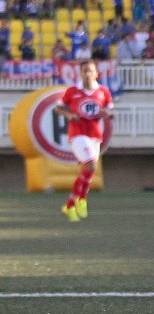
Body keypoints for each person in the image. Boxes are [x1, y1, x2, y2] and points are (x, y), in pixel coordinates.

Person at [53, 60, 114, 222]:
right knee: (92, 165)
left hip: (95, 134)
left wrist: (107, 113)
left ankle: (69, 205)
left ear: (96, 73)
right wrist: (69, 115)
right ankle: (82, 199)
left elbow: (110, 111)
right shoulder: (73, 91)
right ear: (80, 73)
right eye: (84, 71)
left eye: (90, 71)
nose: (87, 74)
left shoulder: (103, 92)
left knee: (88, 171)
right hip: (77, 133)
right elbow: (58, 108)